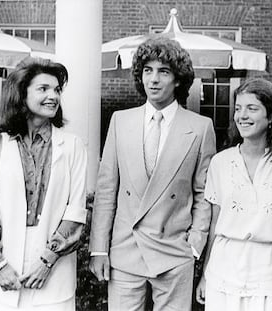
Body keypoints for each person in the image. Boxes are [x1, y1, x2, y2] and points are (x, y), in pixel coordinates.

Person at [89, 37, 216, 311]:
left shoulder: (201, 127)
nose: (154, 79)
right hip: (126, 249)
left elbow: (203, 193)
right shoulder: (120, 121)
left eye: (163, 71)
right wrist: (99, 248)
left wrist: (195, 242)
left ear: (178, 80)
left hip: (174, 251)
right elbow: (107, 189)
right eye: (148, 70)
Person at [0, 57, 87, 310]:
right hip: (4, 271)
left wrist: (46, 262)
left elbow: (76, 210)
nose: (54, 96)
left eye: (57, 90)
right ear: (21, 94)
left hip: (53, 273)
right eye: (43, 89)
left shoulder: (72, 146)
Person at [195, 78, 272, 311]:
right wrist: (205, 274)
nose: (242, 115)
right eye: (238, 108)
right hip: (224, 272)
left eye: (252, 108)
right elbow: (214, 225)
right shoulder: (220, 163)